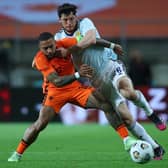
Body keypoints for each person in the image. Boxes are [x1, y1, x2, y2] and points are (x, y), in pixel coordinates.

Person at [54, 3, 165, 159]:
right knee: (126, 118)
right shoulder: (58, 38)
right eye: (65, 20)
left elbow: (92, 39)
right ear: (60, 20)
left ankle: (151, 114)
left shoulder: (85, 23)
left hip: (111, 66)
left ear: (76, 17)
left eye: (71, 19)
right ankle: (154, 146)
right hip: (97, 82)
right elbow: (59, 59)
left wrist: (73, 48)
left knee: (128, 92)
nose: (69, 23)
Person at [8, 32, 137, 162]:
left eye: (51, 46)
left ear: (55, 42)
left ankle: (126, 139)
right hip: (55, 92)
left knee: (105, 104)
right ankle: (17, 153)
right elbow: (57, 81)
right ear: (40, 48)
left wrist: (112, 45)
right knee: (40, 124)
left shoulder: (65, 44)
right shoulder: (40, 59)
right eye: (44, 48)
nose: (49, 50)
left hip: (75, 88)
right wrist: (78, 74)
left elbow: (90, 39)